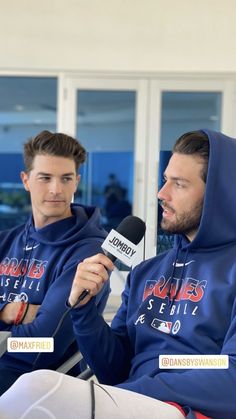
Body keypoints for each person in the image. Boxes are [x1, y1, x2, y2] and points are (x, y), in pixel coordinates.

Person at [0, 129, 236, 419]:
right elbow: (113, 371)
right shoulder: (145, 272)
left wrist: (136, 389)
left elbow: (231, 378)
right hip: (131, 401)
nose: (161, 194)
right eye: (165, 181)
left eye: (180, 184)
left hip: (189, 410)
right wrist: (84, 311)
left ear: (217, 195)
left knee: (35, 387)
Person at [0, 130, 110, 395]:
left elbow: (42, 344)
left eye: (66, 179)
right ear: (25, 180)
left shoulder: (91, 251)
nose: (56, 189)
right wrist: (12, 312)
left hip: (35, 384)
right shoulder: (6, 241)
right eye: (45, 178)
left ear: (76, 182)